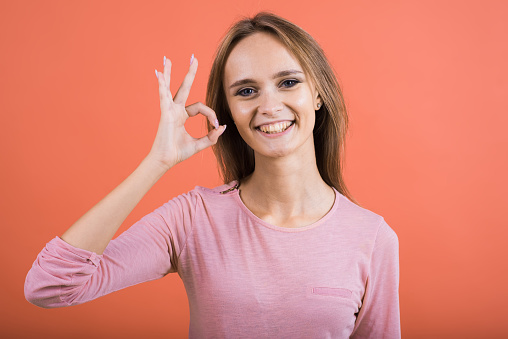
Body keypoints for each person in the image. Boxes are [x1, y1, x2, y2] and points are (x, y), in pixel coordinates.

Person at [24, 12, 400, 338]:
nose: (269, 106)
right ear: (230, 113)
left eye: (288, 82)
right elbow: (50, 286)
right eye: (247, 91)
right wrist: (156, 162)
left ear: (317, 94)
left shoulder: (372, 237)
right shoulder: (193, 219)